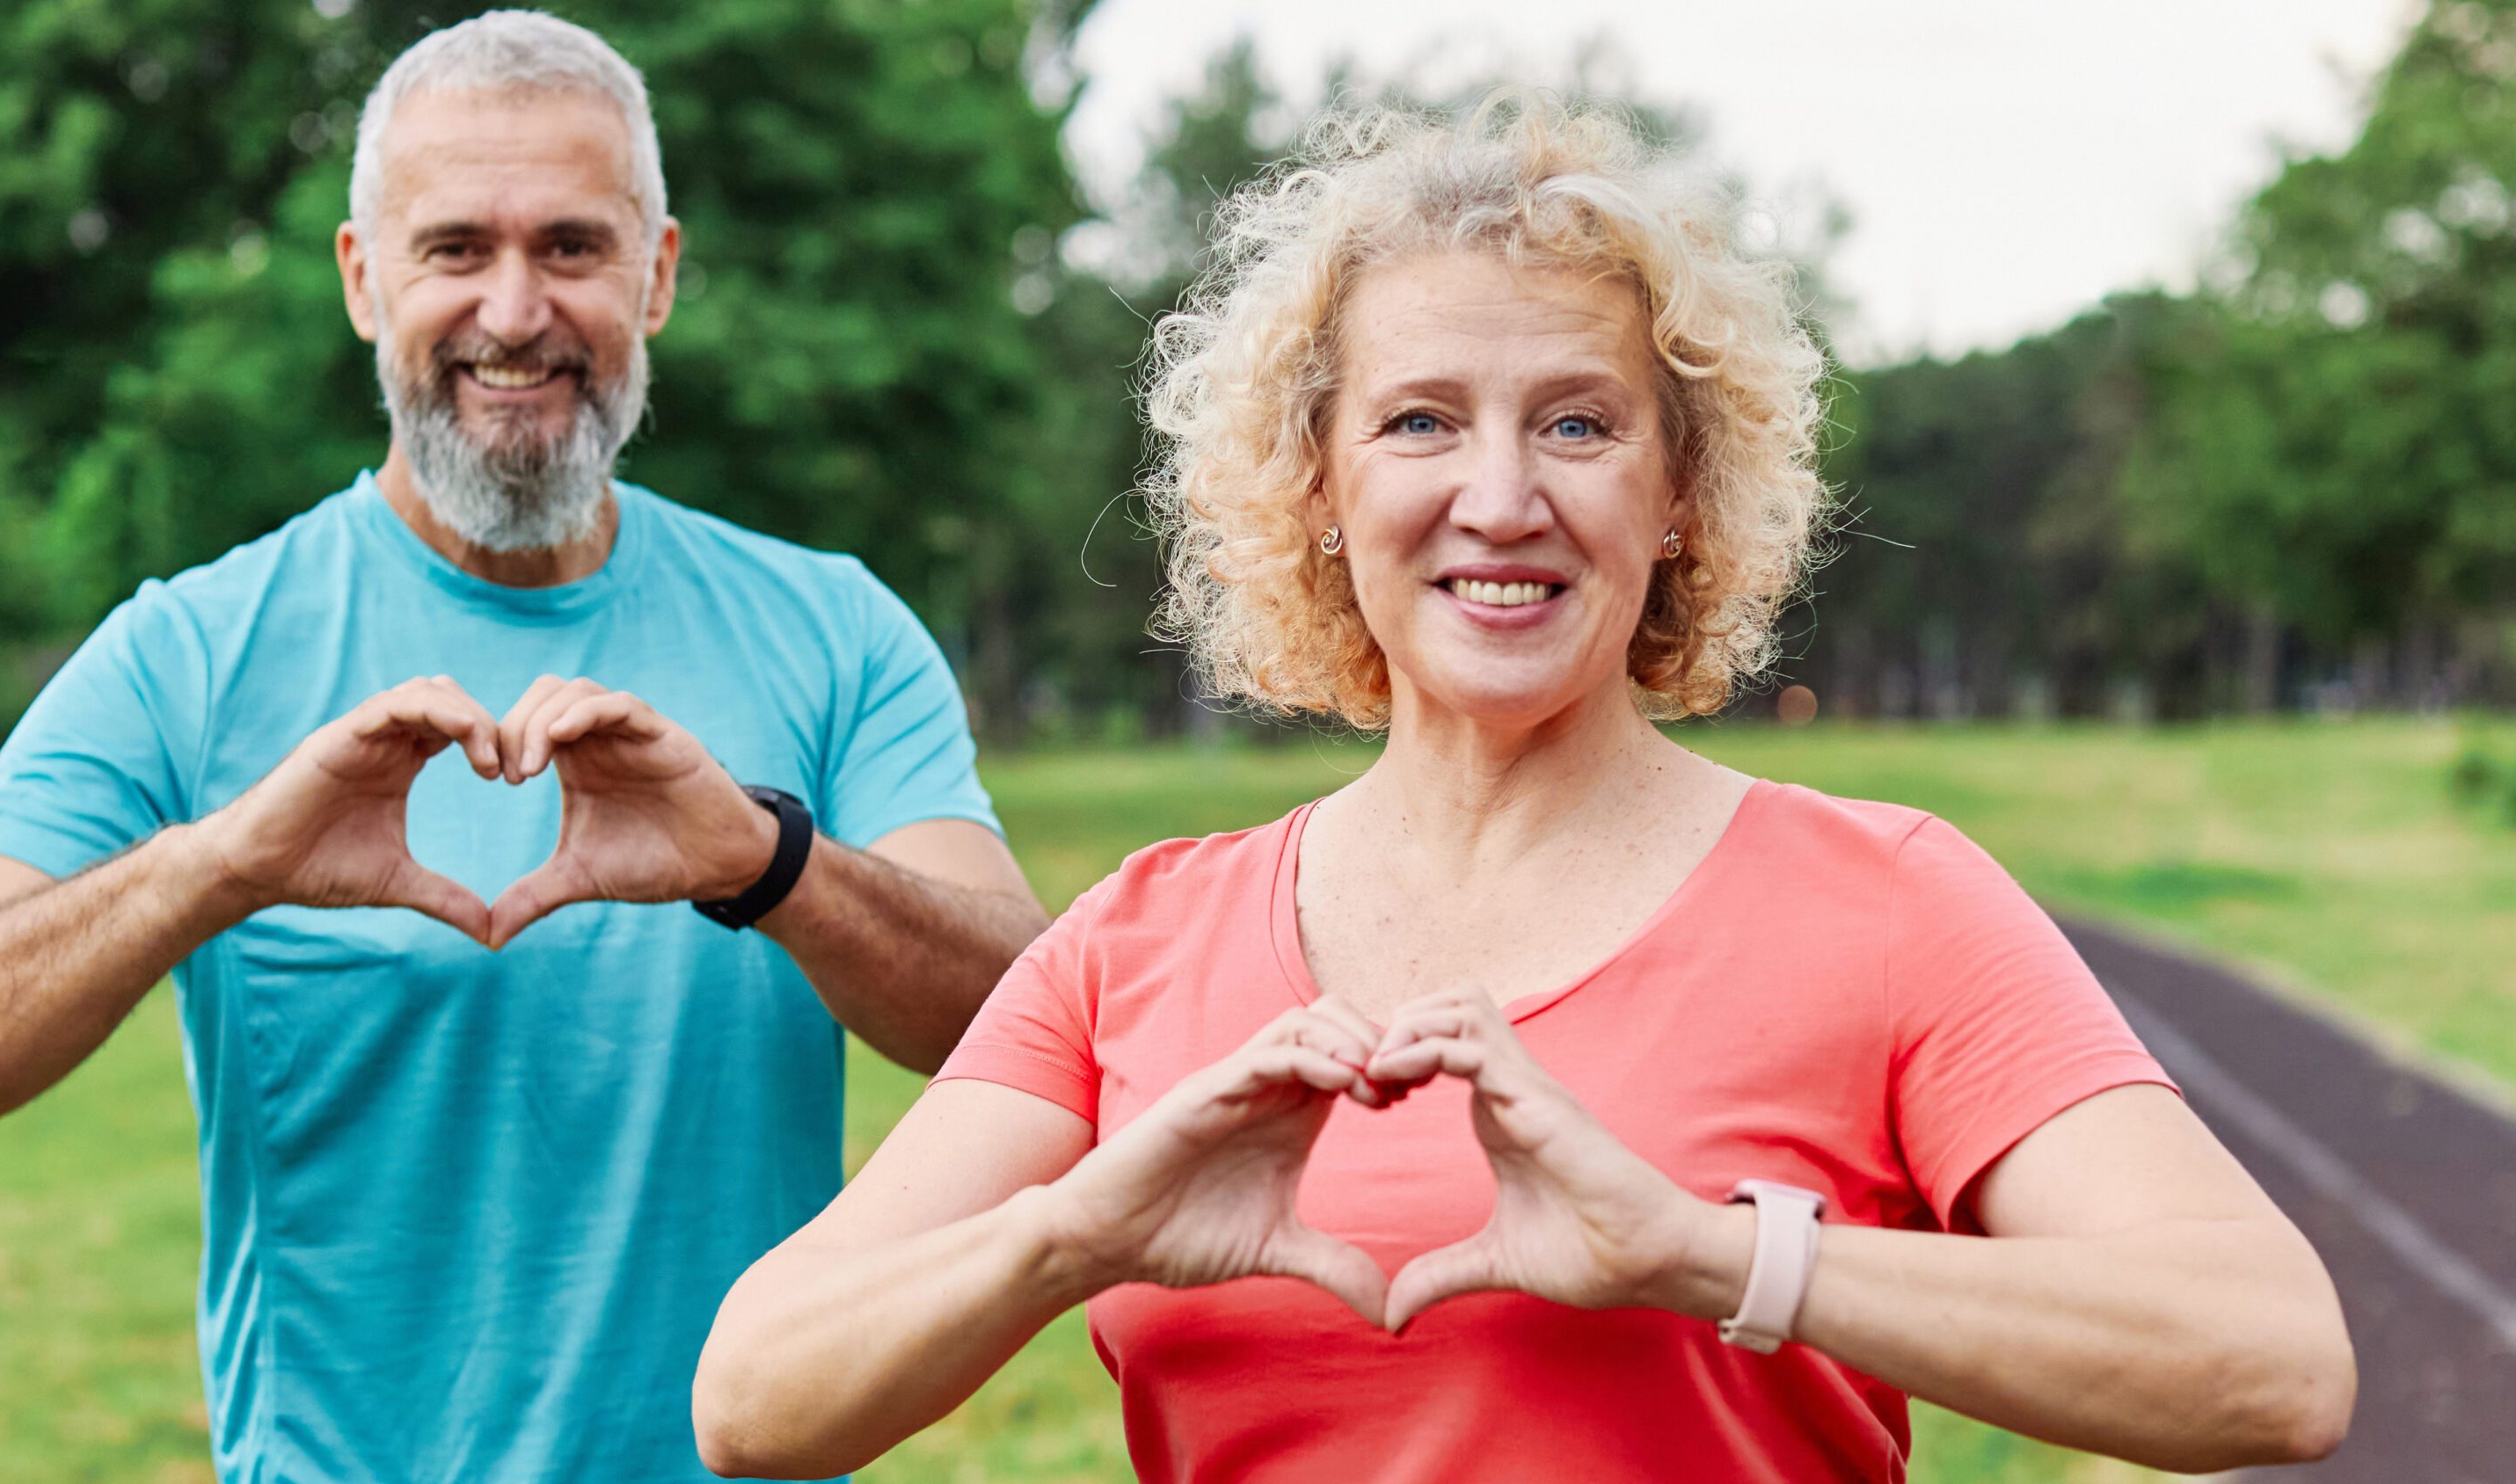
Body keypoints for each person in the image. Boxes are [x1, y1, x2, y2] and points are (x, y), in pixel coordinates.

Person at [690, 98, 2356, 1481]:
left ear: (1682, 493)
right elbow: (754, 1401)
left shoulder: (1894, 903)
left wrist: (1715, 1258)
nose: (1500, 498)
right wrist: (1071, 1236)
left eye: (1577, 424)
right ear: (1319, 486)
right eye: (1420, 422)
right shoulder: (1139, 939)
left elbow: (2269, 1365)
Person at [0, 11, 1047, 1481]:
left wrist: (770, 862)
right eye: (452, 251)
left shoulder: (832, 629)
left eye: (571, 247)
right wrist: (219, 866)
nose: (513, 312)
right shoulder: (190, 653)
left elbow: (1047, 1026)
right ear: (365, 283)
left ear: (659, 275)